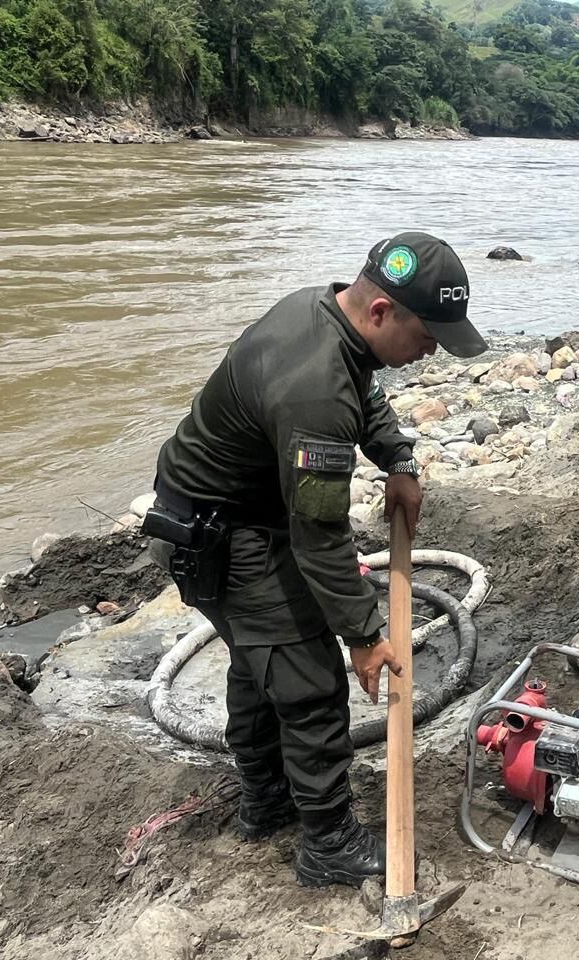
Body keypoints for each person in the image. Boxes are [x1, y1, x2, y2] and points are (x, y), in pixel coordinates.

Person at [146, 231, 487, 889]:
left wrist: (401, 460)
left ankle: (267, 800)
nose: (432, 350)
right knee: (308, 681)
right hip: (219, 536)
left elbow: (365, 396)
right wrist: (362, 635)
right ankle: (327, 842)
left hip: (222, 516)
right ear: (382, 311)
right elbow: (320, 534)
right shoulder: (315, 385)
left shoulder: (329, 315)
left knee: (259, 658)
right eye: (429, 334)